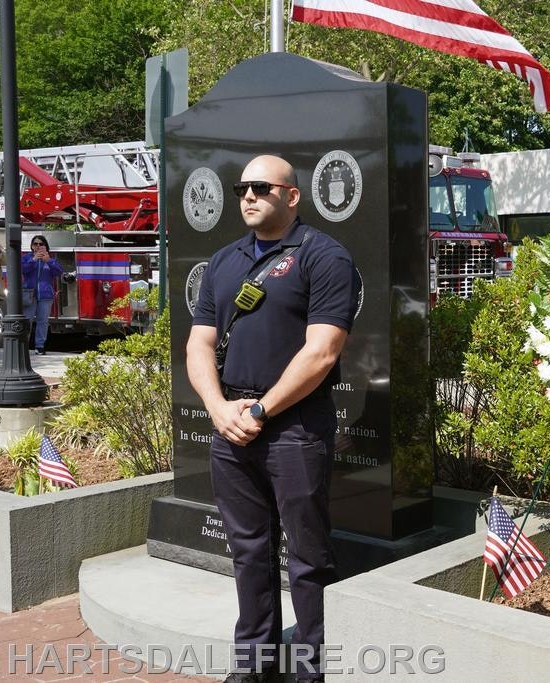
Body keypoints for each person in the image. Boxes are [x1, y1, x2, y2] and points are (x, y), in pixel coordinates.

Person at [186, 155, 360, 683]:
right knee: (249, 553)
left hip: (295, 430)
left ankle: (311, 669)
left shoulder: (324, 257)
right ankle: (254, 664)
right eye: (242, 188)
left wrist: (261, 410)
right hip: (231, 425)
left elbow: (322, 351)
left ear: (292, 196)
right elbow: (199, 343)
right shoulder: (225, 260)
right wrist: (219, 409)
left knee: (308, 559)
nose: (248, 196)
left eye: (262, 187)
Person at [21, 235, 63, 354]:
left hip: (45, 295)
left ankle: (40, 346)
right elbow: (22, 269)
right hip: (30, 294)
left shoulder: (50, 259)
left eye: (41, 244)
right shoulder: (27, 257)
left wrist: (48, 261)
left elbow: (58, 272)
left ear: (45, 246)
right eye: (35, 244)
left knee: (43, 321)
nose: (38, 246)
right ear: (32, 246)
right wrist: (33, 260)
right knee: (27, 320)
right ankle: (23, 345)